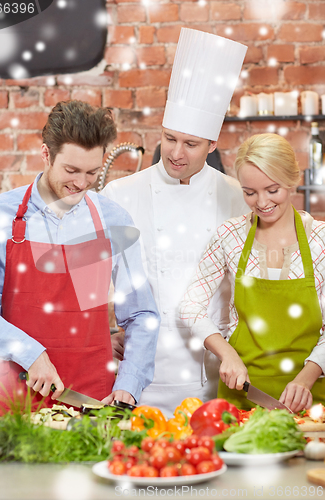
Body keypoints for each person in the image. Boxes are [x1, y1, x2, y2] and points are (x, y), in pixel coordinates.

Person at [0, 100, 160, 414]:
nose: (81, 184)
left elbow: (142, 314)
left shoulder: (114, 221)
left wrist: (129, 383)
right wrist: (29, 353)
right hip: (17, 402)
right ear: (46, 153)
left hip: (93, 402)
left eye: (91, 172)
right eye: (71, 170)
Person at [102, 28, 248, 416]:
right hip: (141, 370)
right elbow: (94, 278)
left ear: (212, 145)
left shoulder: (237, 196)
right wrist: (108, 330)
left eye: (191, 144)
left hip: (211, 367)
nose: (175, 153)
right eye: (169, 139)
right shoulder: (121, 195)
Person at [180, 133, 325, 414]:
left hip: (312, 400)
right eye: (250, 192)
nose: (261, 202)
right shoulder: (229, 236)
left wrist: (305, 378)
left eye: (272, 190)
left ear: (292, 180)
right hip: (243, 396)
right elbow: (190, 306)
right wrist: (227, 354)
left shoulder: (321, 240)